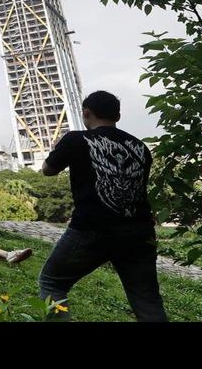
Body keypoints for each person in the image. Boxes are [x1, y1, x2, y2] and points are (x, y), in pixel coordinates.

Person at [38, 91, 167, 322]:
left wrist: (60, 148)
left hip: (92, 227)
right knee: (147, 299)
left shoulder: (76, 139)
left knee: (52, 282)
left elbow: (48, 170)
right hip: (139, 230)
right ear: (117, 115)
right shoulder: (140, 148)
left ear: (86, 113)